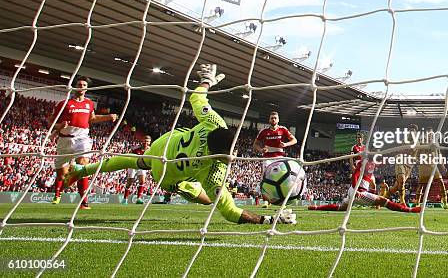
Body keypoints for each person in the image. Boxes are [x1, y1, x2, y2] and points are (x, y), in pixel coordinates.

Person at [64, 64, 296, 225]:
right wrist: (269, 220)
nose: (234, 155)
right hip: (166, 174)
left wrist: (206, 81)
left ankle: (82, 169)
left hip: (163, 145)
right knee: (205, 198)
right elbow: (231, 212)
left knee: (128, 160)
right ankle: (186, 189)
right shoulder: (215, 170)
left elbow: (196, 98)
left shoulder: (215, 122)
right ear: (221, 155)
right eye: (231, 152)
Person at [308, 133, 419, 214]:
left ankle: (316, 208)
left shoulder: (373, 162)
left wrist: (396, 154)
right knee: (384, 201)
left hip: (355, 191)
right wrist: (357, 190)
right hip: (358, 192)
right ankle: (409, 210)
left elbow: (383, 161)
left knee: (341, 208)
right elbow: (355, 176)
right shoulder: (363, 162)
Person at [51, 76, 117, 209]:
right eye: (79, 84)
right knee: (62, 176)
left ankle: (84, 201)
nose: (81, 86)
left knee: (82, 166)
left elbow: (91, 119)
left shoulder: (89, 103)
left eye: (84, 85)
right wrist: (59, 127)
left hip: (82, 139)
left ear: (87, 88)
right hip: (64, 140)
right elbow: (51, 122)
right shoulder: (64, 103)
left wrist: (108, 117)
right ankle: (58, 194)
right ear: (75, 86)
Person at [388, 124, 417, 206]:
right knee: (402, 179)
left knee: (397, 186)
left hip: (409, 165)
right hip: (401, 160)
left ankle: (384, 197)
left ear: (415, 132)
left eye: (413, 130)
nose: (411, 132)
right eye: (410, 130)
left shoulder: (417, 141)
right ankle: (402, 202)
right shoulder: (404, 140)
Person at [122, 135, 152, 205]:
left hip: (142, 166)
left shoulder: (150, 150)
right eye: (145, 141)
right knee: (129, 182)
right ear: (142, 141)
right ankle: (125, 198)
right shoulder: (136, 149)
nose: (146, 142)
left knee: (142, 181)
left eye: (147, 141)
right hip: (133, 165)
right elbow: (129, 156)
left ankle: (139, 198)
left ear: (150, 142)